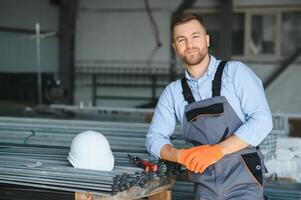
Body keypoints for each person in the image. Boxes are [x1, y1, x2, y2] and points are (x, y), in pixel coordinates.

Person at [145, 13, 273, 200]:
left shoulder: (235, 72)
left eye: (195, 36)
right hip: (204, 185)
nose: (189, 44)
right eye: (181, 39)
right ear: (175, 48)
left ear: (206, 39)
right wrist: (179, 155)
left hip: (243, 180)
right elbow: (153, 138)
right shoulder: (173, 92)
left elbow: (262, 121)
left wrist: (217, 151)